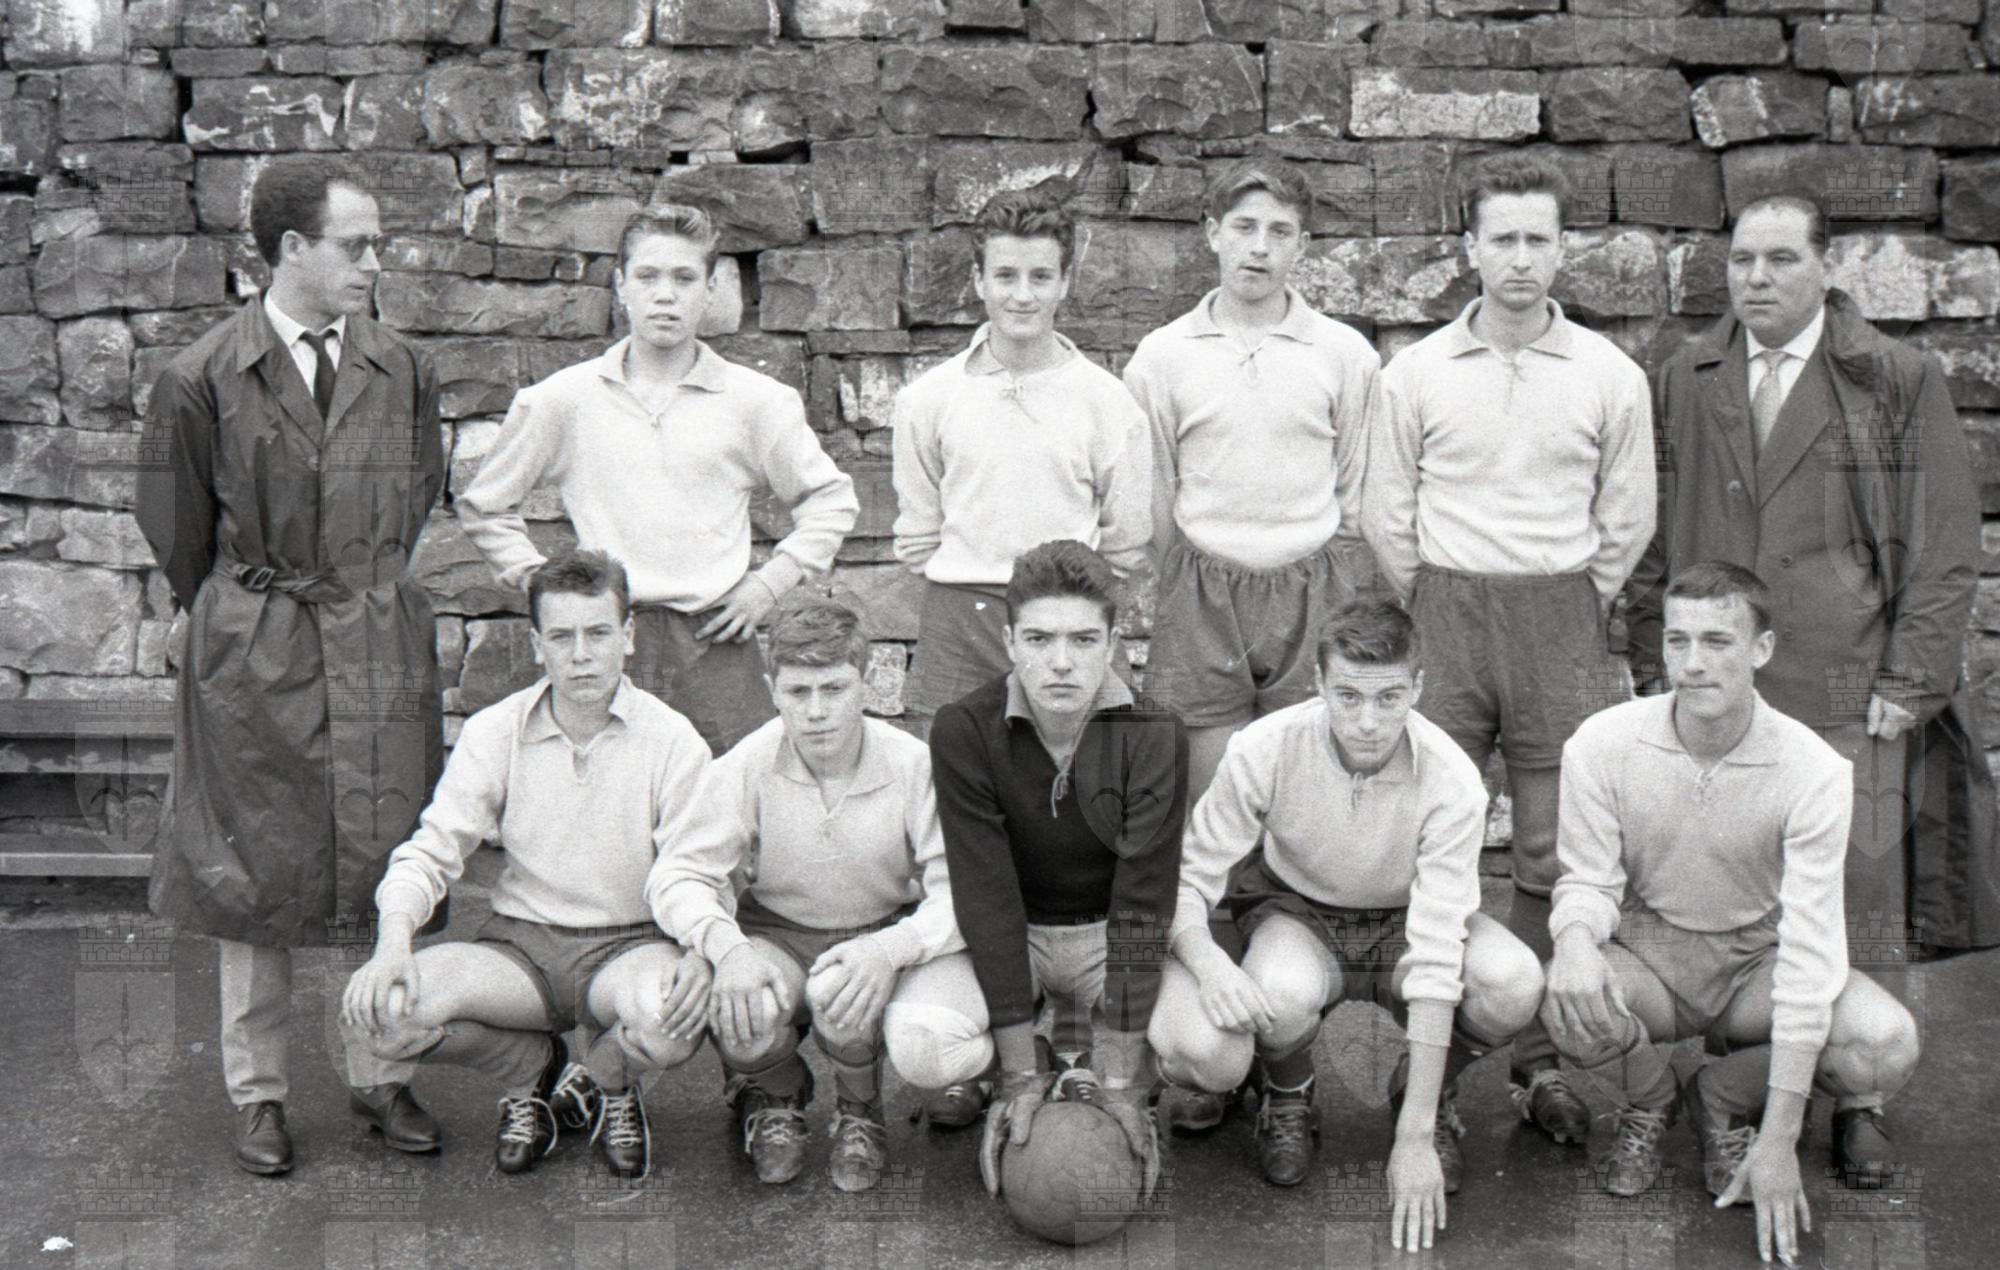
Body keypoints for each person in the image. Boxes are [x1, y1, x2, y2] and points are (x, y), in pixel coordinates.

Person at [1628, 192, 2000, 1159]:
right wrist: (1652, 658)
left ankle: (1856, 1102)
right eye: (1742, 260)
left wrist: (1908, 683)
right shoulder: (1686, 375)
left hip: (1848, 693)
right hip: (1716, 688)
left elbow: (1944, 545)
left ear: (1827, 267)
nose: (1756, 278)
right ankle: (1738, 1082)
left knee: (1853, 904)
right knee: (1726, 891)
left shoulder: (1897, 377)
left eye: (1782, 259)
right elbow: (1651, 530)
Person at [134, 156, 446, 1176]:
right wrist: (243, 610)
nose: (375, 261)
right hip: (253, 645)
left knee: (381, 849)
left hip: (372, 633)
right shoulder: (199, 378)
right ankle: (258, 1091)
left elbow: (415, 495)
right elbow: (174, 526)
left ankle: (381, 1071)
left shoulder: (403, 368)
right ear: (292, 249)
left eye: (378, 243)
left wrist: (357, 586)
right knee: (253, 867)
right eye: (356, 244)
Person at [1364, 153, 1655, 1149]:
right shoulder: (1415, 372)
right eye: (1502, 239)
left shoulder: (1609, 375)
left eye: (1538, 238)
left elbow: (1627, 516)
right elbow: (1386, 508)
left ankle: (1537, 1061)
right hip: (1445, 609)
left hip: (1560, 616)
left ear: (1562, 248)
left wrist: (1572, 600)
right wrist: (1433, 597)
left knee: (1548, 849)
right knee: (1431, 842)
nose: (1520, 258)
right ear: (1470, 248)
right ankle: (1432, 1067)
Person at [1547, 562, 1921, 1266]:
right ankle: (1651, 1098)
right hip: (1652, 952)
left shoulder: (1813, 769)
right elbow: (1589, 881)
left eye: (1717, 641)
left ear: (1762, 649)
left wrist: (1779, 1139)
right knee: (1563, 999)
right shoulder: (1601, 742)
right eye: (1678, 640)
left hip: (1758, 964)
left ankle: (1720, 1093)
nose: (1693, 663)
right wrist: (1571, 943)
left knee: (1883, 1042)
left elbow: (1810, 952)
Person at [1150, 599, 1542, 1251]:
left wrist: (1413, 1140)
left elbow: (1437, 955)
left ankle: (1424, 1095)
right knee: (1275, 990)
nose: (1367, 721)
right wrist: (1211, 964)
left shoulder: (1452, 778)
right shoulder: (1264, 747)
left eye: (1390, 698)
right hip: (1300, 910)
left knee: (1513, 980)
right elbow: (1191, 879)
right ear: (1318, 682)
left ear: (1418, 687)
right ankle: (1289, 1091)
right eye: (1348, 696)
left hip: (1409, 917)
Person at [340, 551, 714, 1181]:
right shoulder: (496, 731)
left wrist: (701, 954)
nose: (581, 655)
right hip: (522, 952)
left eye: (598, 633)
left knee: (671, 1025)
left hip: (629, 948)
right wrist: (392, 945)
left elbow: (702, 870)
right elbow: (432, 850)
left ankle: (608, 1080)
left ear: (627, 636)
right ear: (538, 645)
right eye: (562, 637)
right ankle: (529, 1070)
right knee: (382, 1017)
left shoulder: (674, 741)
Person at [458, 204, 859, 755]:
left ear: (711, 289)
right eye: (648, 276)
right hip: (608, 641)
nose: (665, 295)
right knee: (607, 789)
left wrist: (767, 586)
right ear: (621, 285)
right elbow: (485, 506)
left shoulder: (757, 401)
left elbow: (830, 501)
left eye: (684, 278)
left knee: (729, 794)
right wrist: (540, 583)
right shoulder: (561, 400)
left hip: (715, 641)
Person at [896, 540, 1187, 1202]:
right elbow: (986, 895)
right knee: (920, 1043)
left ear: (1113, 644)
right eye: (1039, 639)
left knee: (1214, 1049)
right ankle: (1037, 1060)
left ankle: (1104, 1064)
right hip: (1017, 934)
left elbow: (1144, 901)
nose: (1061, 661)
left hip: (1107, 933)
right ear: (1009, 642)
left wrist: (1120, 1078)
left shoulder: (1154, 733)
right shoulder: (964, 730)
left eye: (1083, 639)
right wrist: (1018, 1074)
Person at [647, 598, 964, 1192]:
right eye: (798, 692)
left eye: (834, 688)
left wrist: (891, 948)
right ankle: (777, 1094)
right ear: (773, 691)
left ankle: (860, 1109)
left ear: (867, 683)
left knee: (842, 996)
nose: (816, 712)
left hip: (876, 928)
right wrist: (725, 948)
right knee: (741, 1011)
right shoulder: (747, 763)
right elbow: (678, 875)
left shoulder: (913, 764)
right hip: (778, 933)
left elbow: (961, 887)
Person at [1122, 157, 1386, 803]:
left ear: (1303, 244)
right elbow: (1153, 488)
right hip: (1203, 590)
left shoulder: (1344, 354)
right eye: (1244, 227)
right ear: (1213, 233)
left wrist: (1313, 558)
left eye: (1279, 231)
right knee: (1211, 791)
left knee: (1306, 782)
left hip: (1311, 583)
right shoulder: (1163, 356)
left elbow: (1354, 483)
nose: (1260, 247)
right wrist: (1195, 564)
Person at [892, 187, 1151, 728]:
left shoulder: (1107, 402)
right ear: (978, 280)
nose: (1023, 296)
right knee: (950, 769)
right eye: (1006, 276)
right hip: (962, 620)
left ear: (1065, 282)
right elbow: (918, 534)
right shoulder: (929, 399)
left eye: (1041, 277)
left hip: (1067, 614)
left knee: (1098, 768)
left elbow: (1125, 539)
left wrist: (1070, 605)